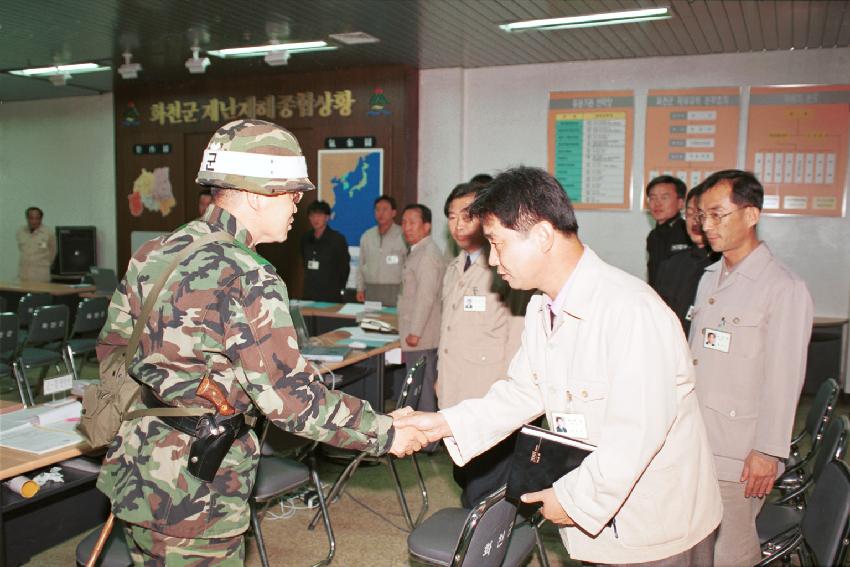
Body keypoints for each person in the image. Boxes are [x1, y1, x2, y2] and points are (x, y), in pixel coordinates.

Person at [95, 119, 425, 565]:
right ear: (256, 194)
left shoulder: (157, 250)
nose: (298, 204)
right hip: (197, 490)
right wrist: (385, 432)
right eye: (292, 193)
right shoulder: (249, 272)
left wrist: (180, 386)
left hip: (139, 464)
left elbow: (114, 350)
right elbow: (289, 401)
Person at [397, 166, 722, 565]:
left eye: (498, 244)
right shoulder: (543, 306)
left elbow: (636, 435)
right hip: (604, 516)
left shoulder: (630, 311)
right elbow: (522, 390)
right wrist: (445, 422)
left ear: (544, 235)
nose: (493, 260)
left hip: (654, 526)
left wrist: (572, 499)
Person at [689, 169, 813, 566]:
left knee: (731, 552)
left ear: (751, 215)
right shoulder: (711, 278)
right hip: (702, 439)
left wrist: (767, 450)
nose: (707, 225)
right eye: (703, 216)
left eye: (717, 214)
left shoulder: (782, 287)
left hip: (740, 450)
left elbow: (784, 377)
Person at [438, 182, 528, 508]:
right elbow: (448, 332)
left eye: (467, 216)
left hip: (490, 398)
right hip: (455, 392)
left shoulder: (505, 269)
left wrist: (508, 397)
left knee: (484, 492)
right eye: (451, 217)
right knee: (465, 476)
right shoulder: (454, 267)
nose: (459, 225)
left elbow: (517, 340)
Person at [398, 204, 447, 414]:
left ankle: (428, 442)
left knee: (423, 387)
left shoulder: (427, 254)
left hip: (421, 335)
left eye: (413, 222)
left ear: (426, 226)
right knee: (420, 385)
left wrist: (415, 332)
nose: (407, 227)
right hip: (417, 332)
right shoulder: (418, 251)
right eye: (404, 222)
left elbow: (425, 298)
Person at [653, 185, 721, 335]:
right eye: (690, 214)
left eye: (701, 215)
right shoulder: (671, 265)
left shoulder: (725, 263)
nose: (695, 221)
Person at [356, 195, 407, 306]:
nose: (380, 213)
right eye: (377, 210)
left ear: (393, 213)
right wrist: (360, 288)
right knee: (372, 322)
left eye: (385, 209)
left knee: (393, 322)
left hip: (396, 291)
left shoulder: (403, 235)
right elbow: (361, 265)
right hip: (372, 291)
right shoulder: (367, 236)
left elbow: (408, 266)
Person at [645, 175, 691, 288]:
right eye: (653, 198)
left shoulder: (690, 232)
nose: (657, 204)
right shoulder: (653, 235)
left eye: (664, 198)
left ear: (680, 203)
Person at [300, 200, 350, 302]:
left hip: (330, 294)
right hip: (309, 294)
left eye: (319, 215)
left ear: (327, 217)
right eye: (312, 215)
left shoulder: (337, 239)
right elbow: (304, 263)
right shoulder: (305, 238)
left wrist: (340, 288)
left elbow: (344, 268)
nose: (315, 219)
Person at [16, 206, 56, 283]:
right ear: (27, 218)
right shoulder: (20, 232)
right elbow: (21, 249)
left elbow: (52, 253)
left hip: (40, 277)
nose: (34, 221)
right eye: (31, 218)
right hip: (24, 276)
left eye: (37, 218)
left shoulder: (48, 233)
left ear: (41, 219)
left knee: (40, 295)